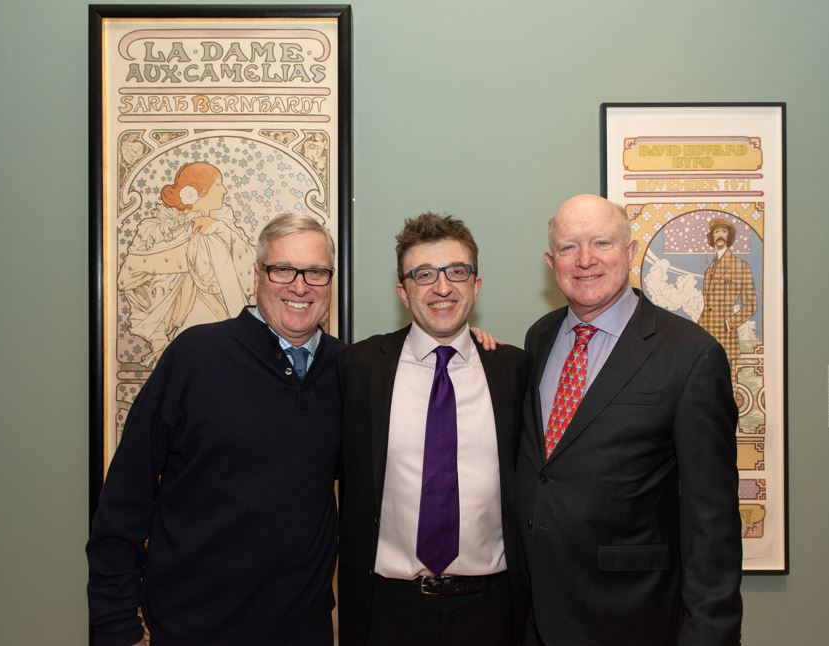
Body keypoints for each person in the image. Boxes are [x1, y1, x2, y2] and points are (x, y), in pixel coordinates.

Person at [88, 213, 343, 646]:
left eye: (316, 272)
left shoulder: (347, 370)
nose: (300, 286)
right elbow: (125, 497)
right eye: (283, 269)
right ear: (257, 274)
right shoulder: (195, 356)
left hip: (303, 631)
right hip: (191, 628)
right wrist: (116, 625)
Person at [517, 195, 742, 646]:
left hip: (632, 617)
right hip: (534, 616)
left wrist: (710, 633)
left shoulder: (690, 355)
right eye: (568, 247)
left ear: (631, 251)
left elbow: (712, 520)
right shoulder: (539, 337)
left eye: (601, 243)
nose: (585, 259)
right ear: (551, 262)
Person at [337, 213, 530, 646]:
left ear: (476, 286)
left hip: (492, 610)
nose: (442, 288)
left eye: (456, 272)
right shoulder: (359, 368)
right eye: (424, 275)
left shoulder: (514, 370)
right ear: (402, 292)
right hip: (388, 610)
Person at [118, 161, 256, 367]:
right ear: (197, 192)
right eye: (218, 184)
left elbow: (251, 265)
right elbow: (131, 273)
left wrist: (219, 229)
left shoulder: (222, 227)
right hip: (187, 317)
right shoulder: (159, 230)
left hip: (219, 316)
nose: (224, 190)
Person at [697, 217, 757, 384]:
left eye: (724, 231)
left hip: (725, 336)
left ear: (729, 236)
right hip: (705, 336)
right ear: (712, 237)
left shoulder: (741, 266)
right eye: (716, 231)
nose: (720, 235)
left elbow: (751, 305)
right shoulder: (710, 267)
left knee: (727, 387)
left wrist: (728, 324)